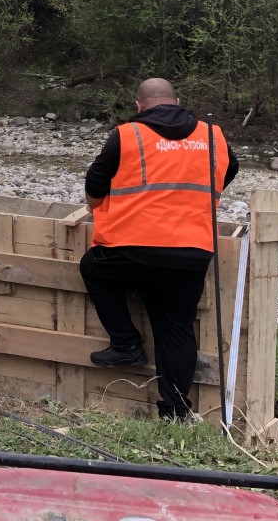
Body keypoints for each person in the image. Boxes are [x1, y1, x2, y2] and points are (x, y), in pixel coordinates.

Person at [79, 77, 240, 420]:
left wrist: (102, 207)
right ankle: (176, 412)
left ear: (139, 105)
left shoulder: (126, 134)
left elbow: (95, 186)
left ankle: (125, 343)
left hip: (133, 248)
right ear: (177, 100)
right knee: (177, 330)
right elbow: (230, 170)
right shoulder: (212, 135)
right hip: (191, 251)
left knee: (93, 268)